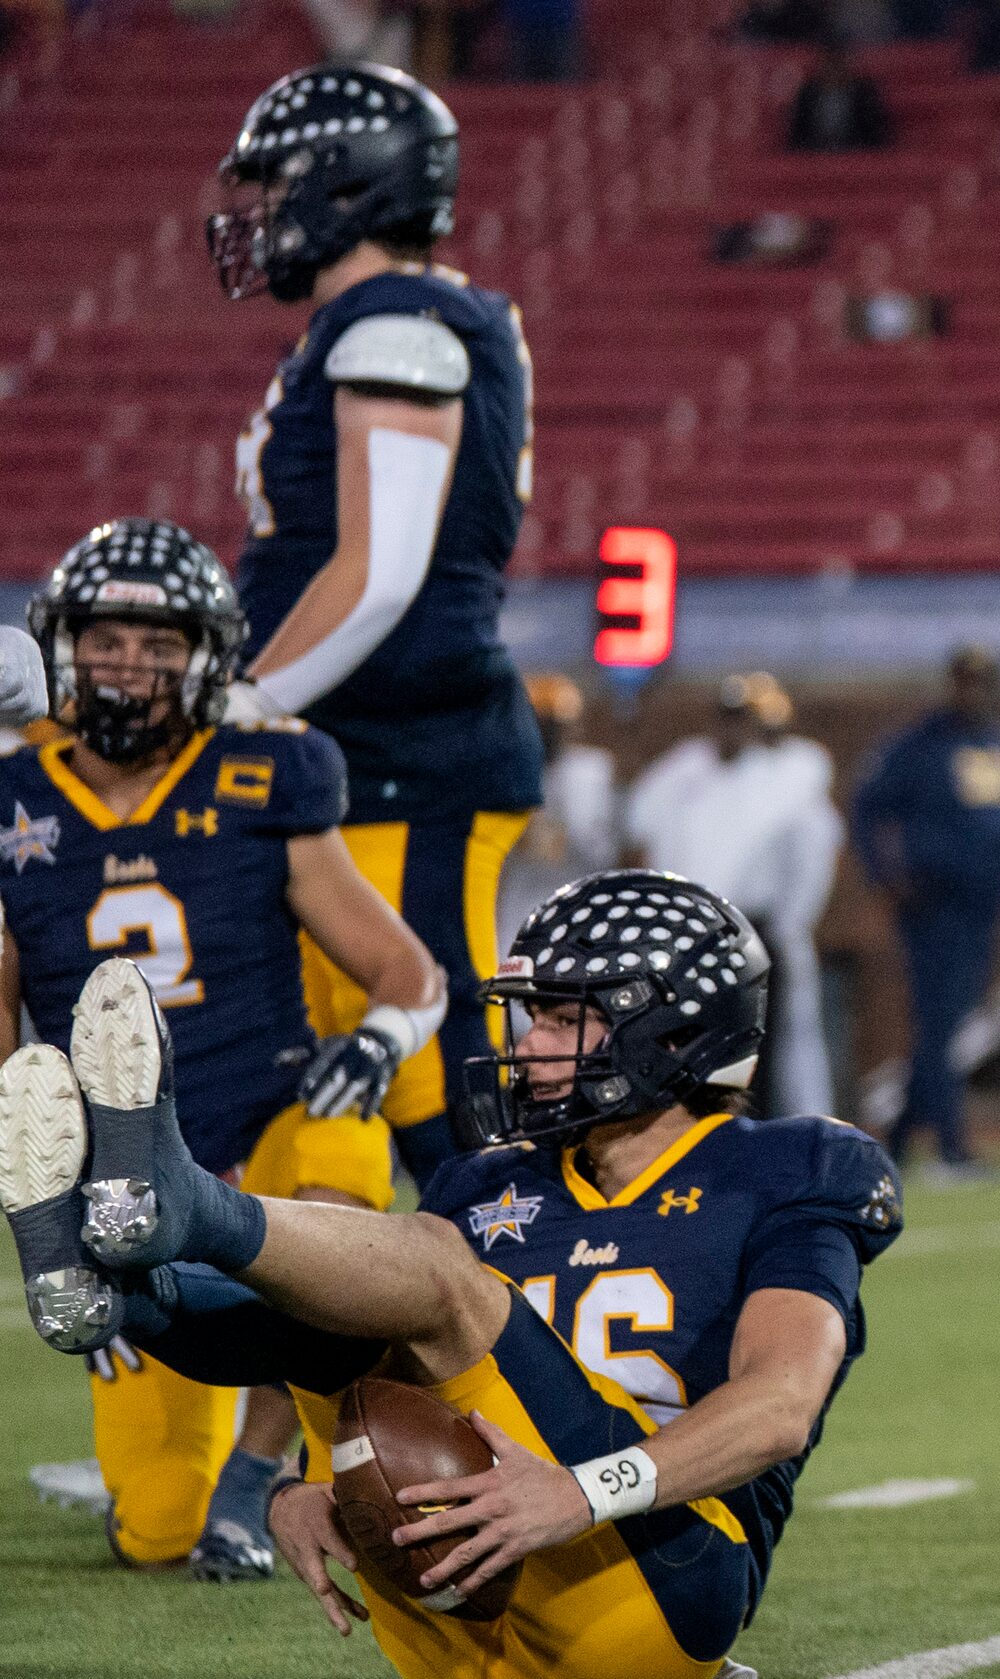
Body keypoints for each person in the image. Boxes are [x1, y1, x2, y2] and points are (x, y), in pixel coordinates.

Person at [5, 873, 899, 1679]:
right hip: (454, 1614)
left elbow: (781, 1405)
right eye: (527, 1016)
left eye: (561, 1018)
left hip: (651, 1600)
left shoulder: (790, 1167)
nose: (526, 1044)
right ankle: (118, 1289)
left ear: (672, 1034)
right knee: (341, 1322)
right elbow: (375, 1365)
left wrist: (580, 1493)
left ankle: (182, 1204)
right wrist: (302, 1488)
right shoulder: (487, 1181)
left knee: (434, 1269)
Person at [3, 519, 443, 1583]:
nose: (132, 667)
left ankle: (256, 1479)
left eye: (161, 645)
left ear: (208, 658)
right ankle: (130, 1299)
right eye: (109, 641)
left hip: (265, 1116)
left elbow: (407, 971)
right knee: (156, 1529)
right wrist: (44, 1205)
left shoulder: (266, 772)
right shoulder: (13, 795)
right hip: (113, 1167)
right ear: (61, 645)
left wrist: (380, 1042)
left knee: (339, 1150)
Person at [210, 64, 546, 1191]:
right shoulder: (382, 320)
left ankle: (556, 1334)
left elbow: (380, 574)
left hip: (409, 767)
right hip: (358, 763)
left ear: (345, 188)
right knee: (329, 1091)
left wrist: (240, 711)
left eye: (279, 185)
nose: (258, 216)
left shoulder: (399, 319)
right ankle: (331, 1360)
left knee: (449, 1099)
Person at [853, 645, 1000, 1177]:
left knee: (950, 1024)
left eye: (985, 684)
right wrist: (888, 875)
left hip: (984, 903)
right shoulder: (917, 745)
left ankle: (896, 1143)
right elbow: (869, 809)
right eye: (966, 683)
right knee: (940, 1024)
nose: (975, 694)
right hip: (933, 902)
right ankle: (952, 1145)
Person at [623, 673, 843, 1120]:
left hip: (753, 928)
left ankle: (759, 1130)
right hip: (689, 930)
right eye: (728, 717)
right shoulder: (686, 767)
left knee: (760, 1043)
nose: (733, 729)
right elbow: (638, 826)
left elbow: (813, 855)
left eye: (744, 719)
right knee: (690, 1038)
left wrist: (791, 921)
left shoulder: (786, 773)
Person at [498, 673, 617, 950]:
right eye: (541, 724)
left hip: (576, 908)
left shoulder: (591, 772)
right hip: (521, 907)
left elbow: (605, 852)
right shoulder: (509, 772)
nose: (548, 735)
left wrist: (567, 822)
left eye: (555, 725)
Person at [785, 41, 896, 152]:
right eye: (829, 64)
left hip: (856, 156)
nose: (834, 70)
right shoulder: (808, 93)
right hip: (814, 155)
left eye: (838, 64)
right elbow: (797, 133)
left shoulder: (864, 93)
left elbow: (876, 132)